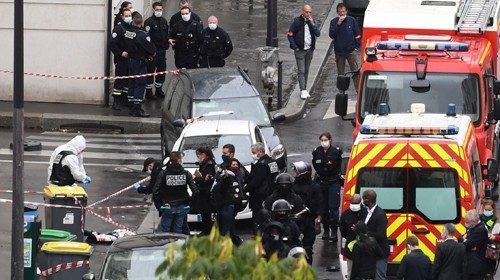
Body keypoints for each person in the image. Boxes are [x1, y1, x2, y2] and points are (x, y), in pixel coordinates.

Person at [153, 151, 199, 233]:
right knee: (179, 231)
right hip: (182, 205)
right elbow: (195, 191)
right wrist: (190, 205)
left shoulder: (163, 174)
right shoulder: (186, 174)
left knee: (166, 232)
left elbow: (155, 191)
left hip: (167, 205)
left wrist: (159, 206)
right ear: (179, 160)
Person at [312, 132, 343, 242]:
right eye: (322, 140)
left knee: (333, 208)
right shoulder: (317, 152)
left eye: (326, 140)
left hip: (333, 182)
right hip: (322, 182)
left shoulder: (336, 152)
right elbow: (316, 165)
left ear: (330, 140)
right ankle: (325, 230)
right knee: (323, 207)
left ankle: (334, 231)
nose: (324, 142)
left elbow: (338, 165)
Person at [124, 12, 156, 117]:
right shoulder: (142, 34)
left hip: (131, 60)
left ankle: (131, 104)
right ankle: (137, 107)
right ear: (141, 22)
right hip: (140, 62)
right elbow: (150, 49)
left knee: (132, 82)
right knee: (140, 83)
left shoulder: (128, 32)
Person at [291, 161, 324, 264]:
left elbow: (320, 204)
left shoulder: (314, 187)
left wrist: (318, 220)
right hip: (295, 219)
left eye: (297, 172)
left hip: (309, 220)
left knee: (308, 248)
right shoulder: (292, 186)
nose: (295, 174)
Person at [287, 4, 320, 100]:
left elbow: (318, 33)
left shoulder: (312, 22)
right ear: (303, 11)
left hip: (309, 49)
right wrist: (295, 47)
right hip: (300, 50)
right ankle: (302, 90)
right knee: (301, 71)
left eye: (310, 12)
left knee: (306, 70)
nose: (308, 14)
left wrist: (313, 23)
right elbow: (290, 34)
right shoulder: (296, 21)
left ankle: (305, 89)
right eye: (306, 12)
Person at [211, 158, 245, 246]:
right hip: (227, 205)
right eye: (233, 165)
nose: (235, 166)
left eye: (237, 165)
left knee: (230, 227)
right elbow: (219, 189)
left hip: (231, 205)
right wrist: (224, 178)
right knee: (226, 228)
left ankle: (233, 243)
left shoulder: (236, 175)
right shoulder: (226, 176)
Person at [245, 143, 279, 229]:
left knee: (259, 218)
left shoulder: (261, 164)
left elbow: (256, 181)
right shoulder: (272, 161)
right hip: (271, 193)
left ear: (260, 151)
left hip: (260, 195)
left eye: (254, 152)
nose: (253, 154)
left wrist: (245, 189)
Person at [329, 3, 361, 90]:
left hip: (351, 51)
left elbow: (357, 35)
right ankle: (341, 92)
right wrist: (338, 24)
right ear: (337, 12)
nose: (342, 14)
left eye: (343, 11)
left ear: (346, 11)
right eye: (340, 12)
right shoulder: (333, 22)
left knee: (355, 72)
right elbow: (332, 35)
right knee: (341, 74)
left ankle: (358, 91)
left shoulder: (352, 20)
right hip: (339, 52)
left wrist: (356, 47)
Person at [362, 189, 390, 280]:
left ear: (368, 200)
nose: (363, 200)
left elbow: (380, 235)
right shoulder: (368, 212)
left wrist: (365, 233)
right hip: (371, 252)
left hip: (380, 252)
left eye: (364, 198)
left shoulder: (380, 214)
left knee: (379, 277)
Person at [144, 2, 169, 99]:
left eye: (160, 10)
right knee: (150, 71)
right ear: (153, 10)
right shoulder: (148, 22)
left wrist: (167, 43)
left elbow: (167, 34)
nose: (159, 11)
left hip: (162, 51)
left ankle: (159, 89)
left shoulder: (164, 21)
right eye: (157, 10)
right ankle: (149, 92)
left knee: (161, 71)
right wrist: (150, 51)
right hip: (152, 52)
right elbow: (147, 38)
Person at [109, 8, 133, 110]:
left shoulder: (132, 27)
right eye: (126, 16)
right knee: (120, 80)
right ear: (122, 17)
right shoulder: (118, 28)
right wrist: (121, 53)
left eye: (129, 16)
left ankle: (125, 99)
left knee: (128, 80)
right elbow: (112, 44)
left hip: (131, 59)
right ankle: (116, 101)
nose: (128, 18)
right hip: (121, 59)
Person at [190, 147, 216, 235]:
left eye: (198, 155)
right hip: (204, 192)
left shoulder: (208, 164)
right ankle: (207, 230)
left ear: (203, 154)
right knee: (205, 214)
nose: (198, 157)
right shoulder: (206, 163)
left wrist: (196, 178)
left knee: (206, 214)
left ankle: (208, 231)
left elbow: (206, 180)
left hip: (206, 193)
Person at [338, 194, 366, 276]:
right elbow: (342, 230)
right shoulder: (345, 214)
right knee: (350, 271)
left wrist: (359, 230)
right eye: (352, 203)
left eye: (356, 203)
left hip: (363, 247)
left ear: (360, 202)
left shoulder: (365, 213)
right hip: (350, 248)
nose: (354, 205)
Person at [463, 209, 489, 280]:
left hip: (475, 267)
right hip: (472, 265)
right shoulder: (473, 227)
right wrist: (464, 240)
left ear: (473, 221)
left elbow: (467, 245)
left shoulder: (480, 230)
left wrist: (465, 241)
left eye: (467, 222)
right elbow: (466, 240)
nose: (466, 223)